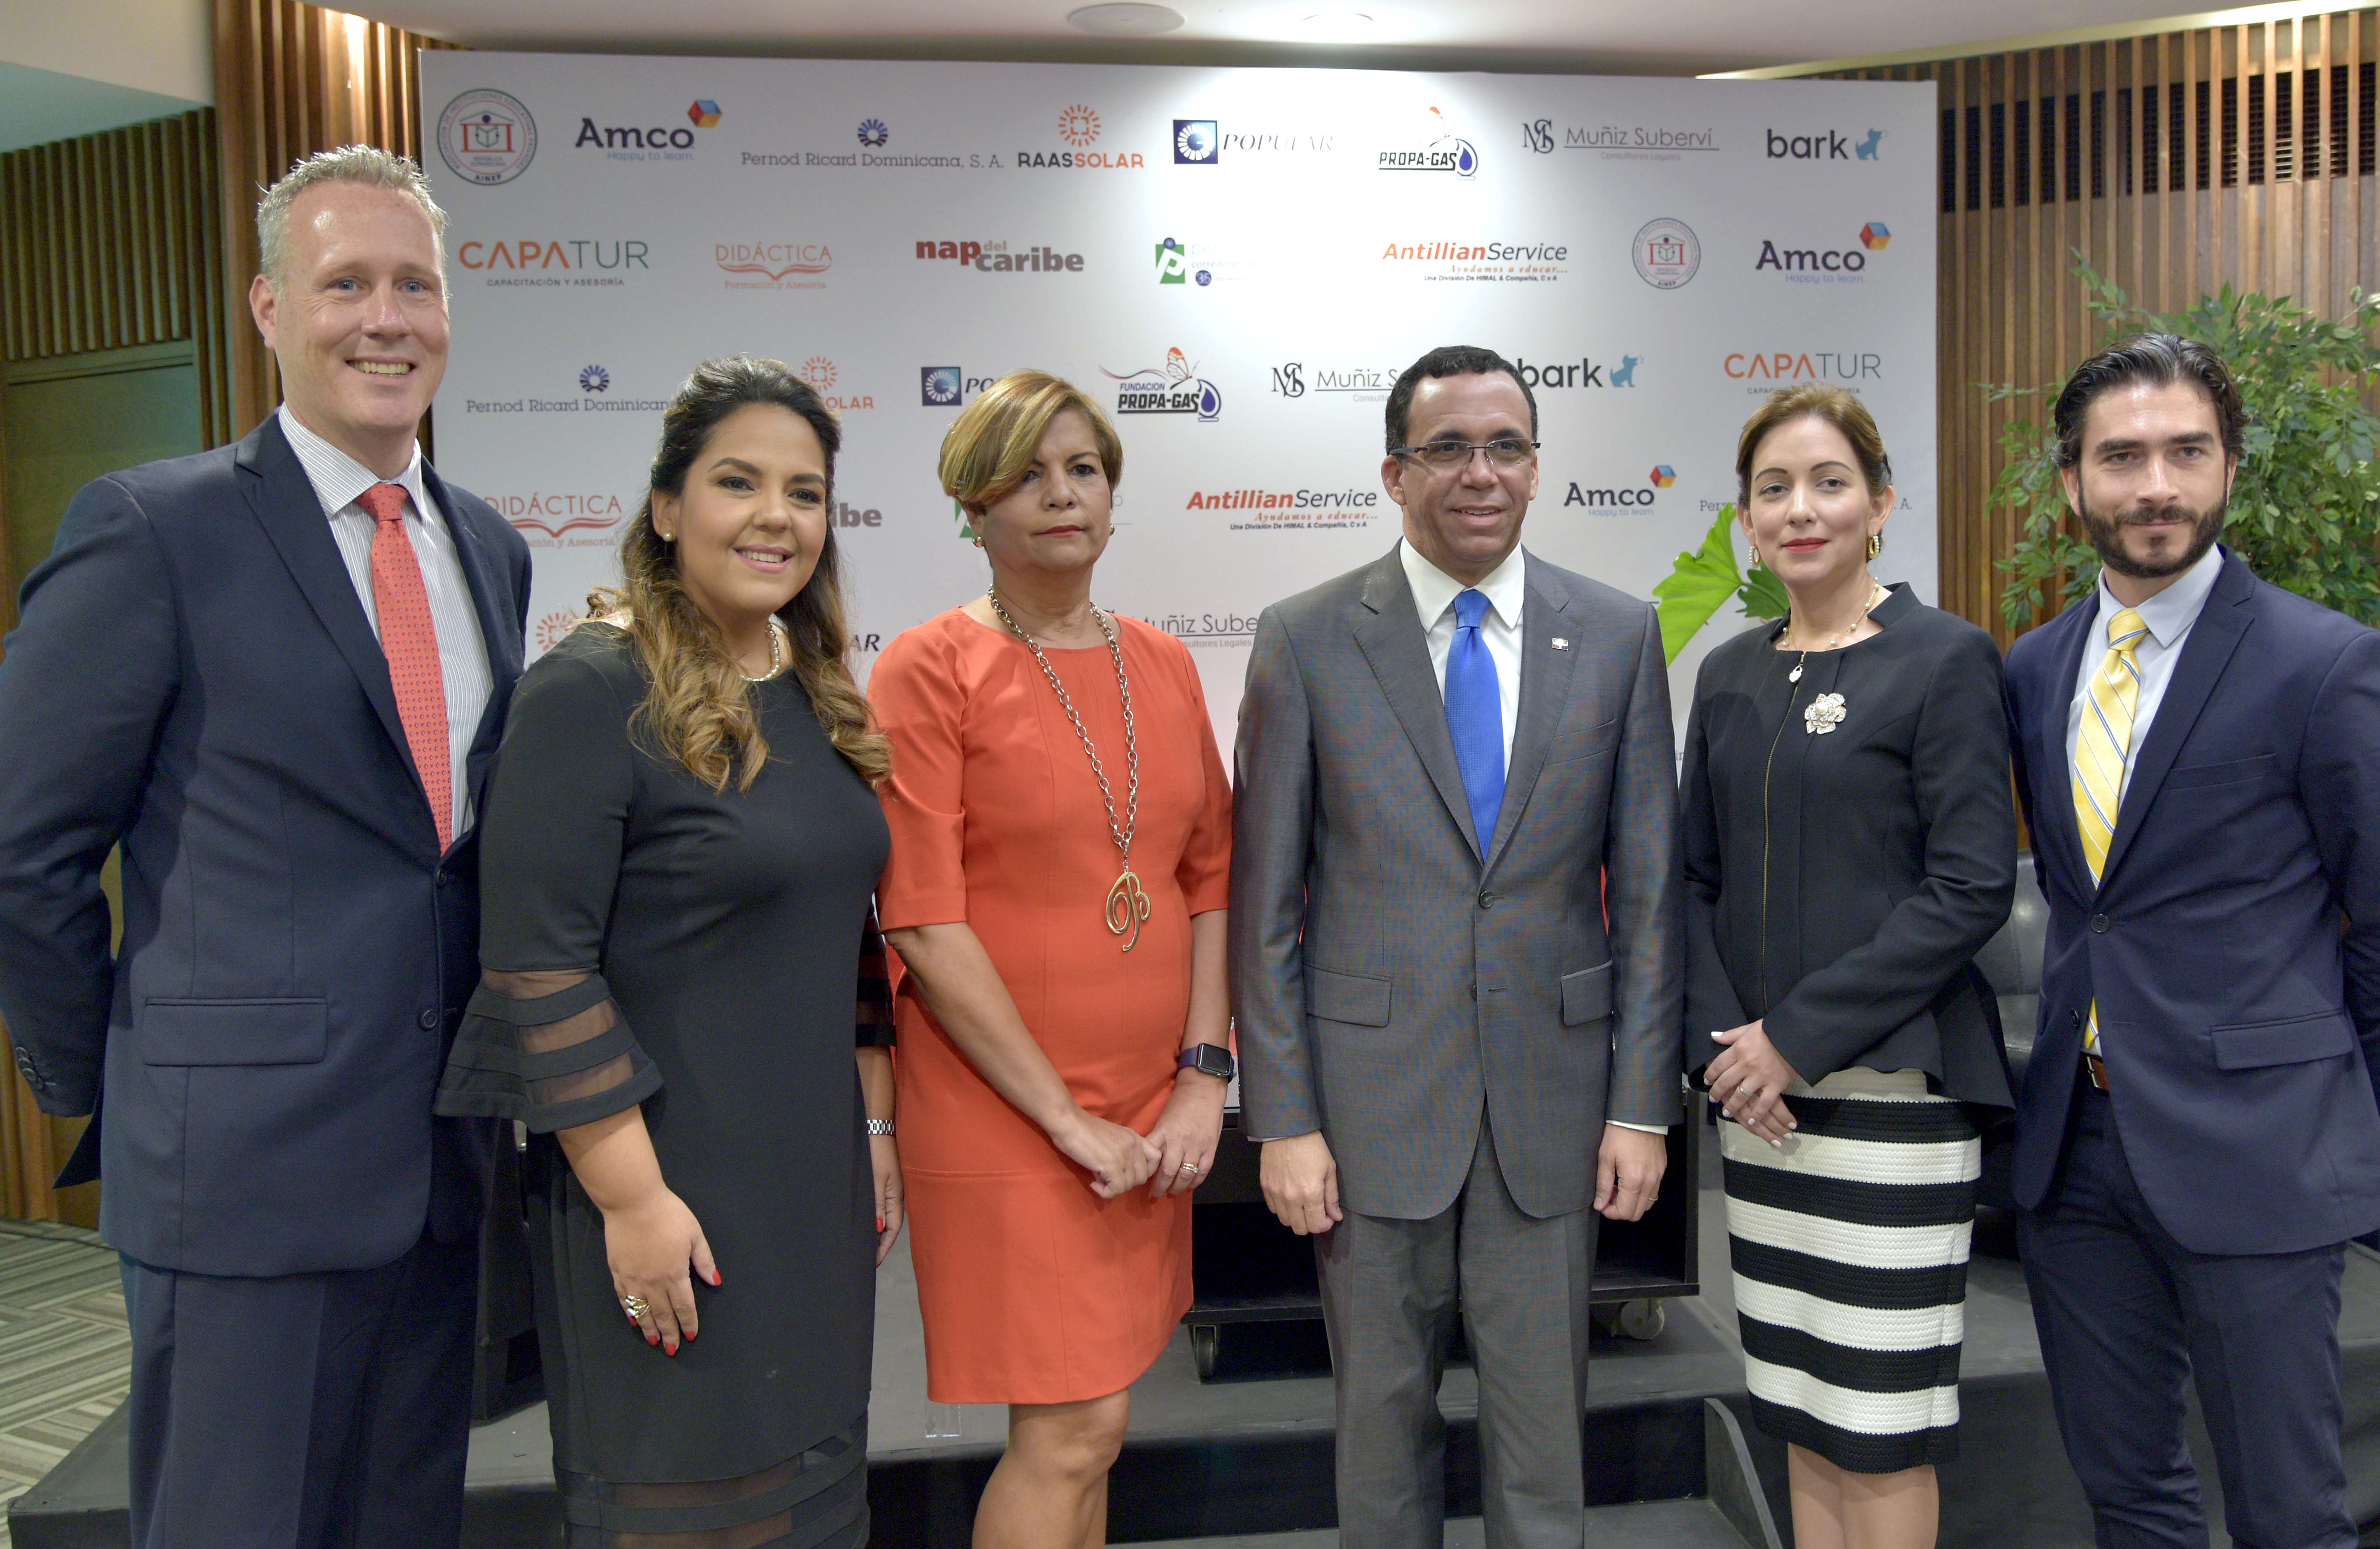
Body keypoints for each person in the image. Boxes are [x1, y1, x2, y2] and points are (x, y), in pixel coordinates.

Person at [0, 147, 528, 1546]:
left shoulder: (486, 542)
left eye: (415, 284)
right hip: (236, 1173)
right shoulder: (153, 528)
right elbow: (22, 846)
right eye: (344, 282)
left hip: (441, 1169)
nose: (386, 317)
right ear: (266, 307)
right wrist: (109, 1069)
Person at [435, 356, 897, 1546]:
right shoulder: (588, 692)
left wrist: (878, 1132)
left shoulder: (817, 693)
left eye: (804, 490)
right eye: (737, 481)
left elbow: (841, 938)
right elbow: (537, 964)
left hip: (811, 1193)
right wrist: (633, 1199)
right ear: (665, 508)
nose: (775, 516)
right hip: (661, 1189)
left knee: (814, 1508)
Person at [1230, 344, 1681, 1548]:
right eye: (1448, 448)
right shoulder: (1306, 639)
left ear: (1537, 468)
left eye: (1507, 446)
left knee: (1547, 1442)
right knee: (1381, 1436)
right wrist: (1283, 1118)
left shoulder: (1621, 635)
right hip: (1368, 1114)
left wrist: (1642, 1104)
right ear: (1395, 471)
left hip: (1557, 1108)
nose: (1480, 472)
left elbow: (1645, 897)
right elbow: (1265, 904)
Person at [2004, 333, 2380, 1549]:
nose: (2157, 485)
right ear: (2073, 480)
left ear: (2230, 468)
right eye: (2124, 456)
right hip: (2073, 1152)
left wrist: (2322, 1088)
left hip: (2262, 1153)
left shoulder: (2330, 662)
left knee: (2291, 1514)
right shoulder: (2036, 667)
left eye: (2187, 451)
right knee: (2128, 1493)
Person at [867, 371, 1233, 1549]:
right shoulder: (927, 668)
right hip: (1006, 1110)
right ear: (972, 505)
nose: (1060, 494)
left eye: (1082, 468)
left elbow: (1207, 881)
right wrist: (1067, 1120)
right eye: (1025, 473)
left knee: (1101, 1421)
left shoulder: (1167, 663)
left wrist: (1202, 1072)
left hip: (1147, 1103)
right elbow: (922, 918)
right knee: (1071, 1427)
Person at [1680, 385, 2017, 1549]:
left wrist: (1793, 1038)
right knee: (1802, 1412)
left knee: (1880, 1428)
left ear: (1880, 503)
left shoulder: (1945, 659)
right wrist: (1732, 1052)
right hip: (1757, 1108)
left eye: (1829, 483)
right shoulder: (1726, 674)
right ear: (1748, 520)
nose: (1800, 509)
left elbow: (1970, 887)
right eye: (1773, 489)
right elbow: (1693, 882)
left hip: (1890, 1099)